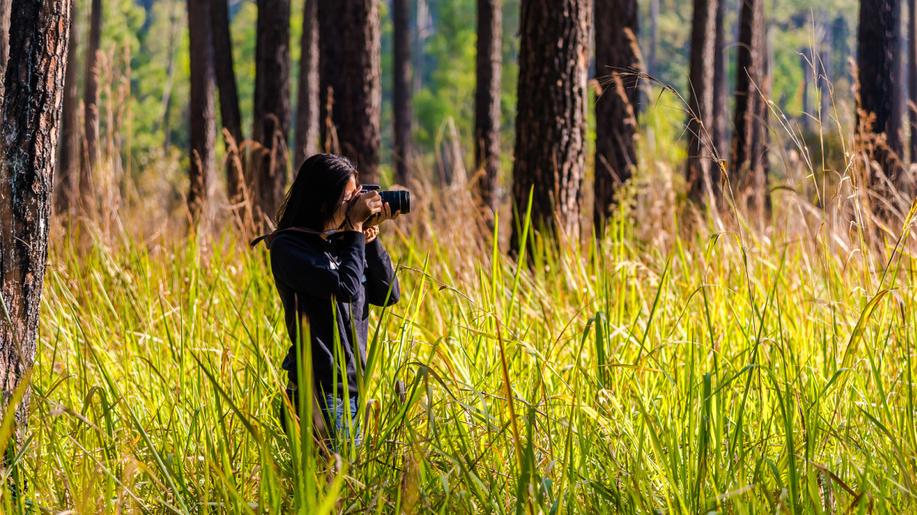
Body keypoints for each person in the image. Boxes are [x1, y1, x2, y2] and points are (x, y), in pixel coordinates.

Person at [259, 153, 400, 451]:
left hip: (351, 392)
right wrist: (355, 232)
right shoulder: (290, 247)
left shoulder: (342, 242)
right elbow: (345, 287)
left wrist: (369, 239)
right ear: (323, 200)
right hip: (319, 395)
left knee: (345, 491)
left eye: (357, 196)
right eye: (349, 198)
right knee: (337, 490)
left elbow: (388, 294)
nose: (355, 204)